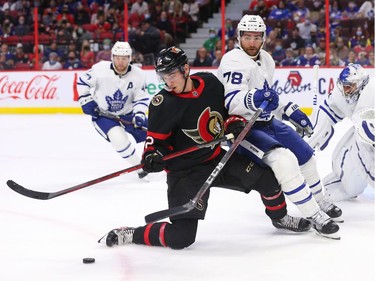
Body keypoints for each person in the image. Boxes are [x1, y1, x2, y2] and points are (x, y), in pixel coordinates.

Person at [100, 46, 312, 249]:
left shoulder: (210, 83)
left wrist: (234, 123)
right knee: (181, 238)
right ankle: (131, 233)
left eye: (171, 75)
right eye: (162, 76)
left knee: (267, 179)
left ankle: (280, 218)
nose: (167, 82)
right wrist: (152, 156)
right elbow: (154, 142)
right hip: (185, 172)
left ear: (185, 69)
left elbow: (227, 114)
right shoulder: (162, 103)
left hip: (216, 159)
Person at [217, 15, 342, 239]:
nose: (252, 42)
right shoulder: (233, 60)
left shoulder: (266, 59)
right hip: (242, 127)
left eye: (256, 37)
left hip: (266, 121)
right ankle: (314, 215)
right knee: (284, 161)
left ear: (264, 38)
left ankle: (320, 200)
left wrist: (288, 110)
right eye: (247, 37)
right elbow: (232, 100)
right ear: (239, 38)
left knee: (306, 155)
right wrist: (257, 96)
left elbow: (268, 99)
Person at [76, 41, 150, 179]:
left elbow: (141, 98)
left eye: (124, 58)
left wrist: (139, 114)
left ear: (130, 58)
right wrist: (86, 99)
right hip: (104, 116)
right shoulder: (99, 69)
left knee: (155, 135)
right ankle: (139, 167)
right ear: (112, 57)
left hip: (128, 114)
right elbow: (83, 82)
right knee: (119, 139)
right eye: (117, 58)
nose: (120, 62)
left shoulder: (138, 75)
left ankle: (169, 161)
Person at [307, 64, 374, 201]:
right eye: (344, 86)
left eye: (350, 86)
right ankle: (339, 187)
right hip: (366, 133)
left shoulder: (371, 92)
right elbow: (328, 111)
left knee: (364, 136)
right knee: (347, 175)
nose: (346, 90)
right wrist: (312, 138)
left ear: (362, 83)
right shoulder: (342, 95)